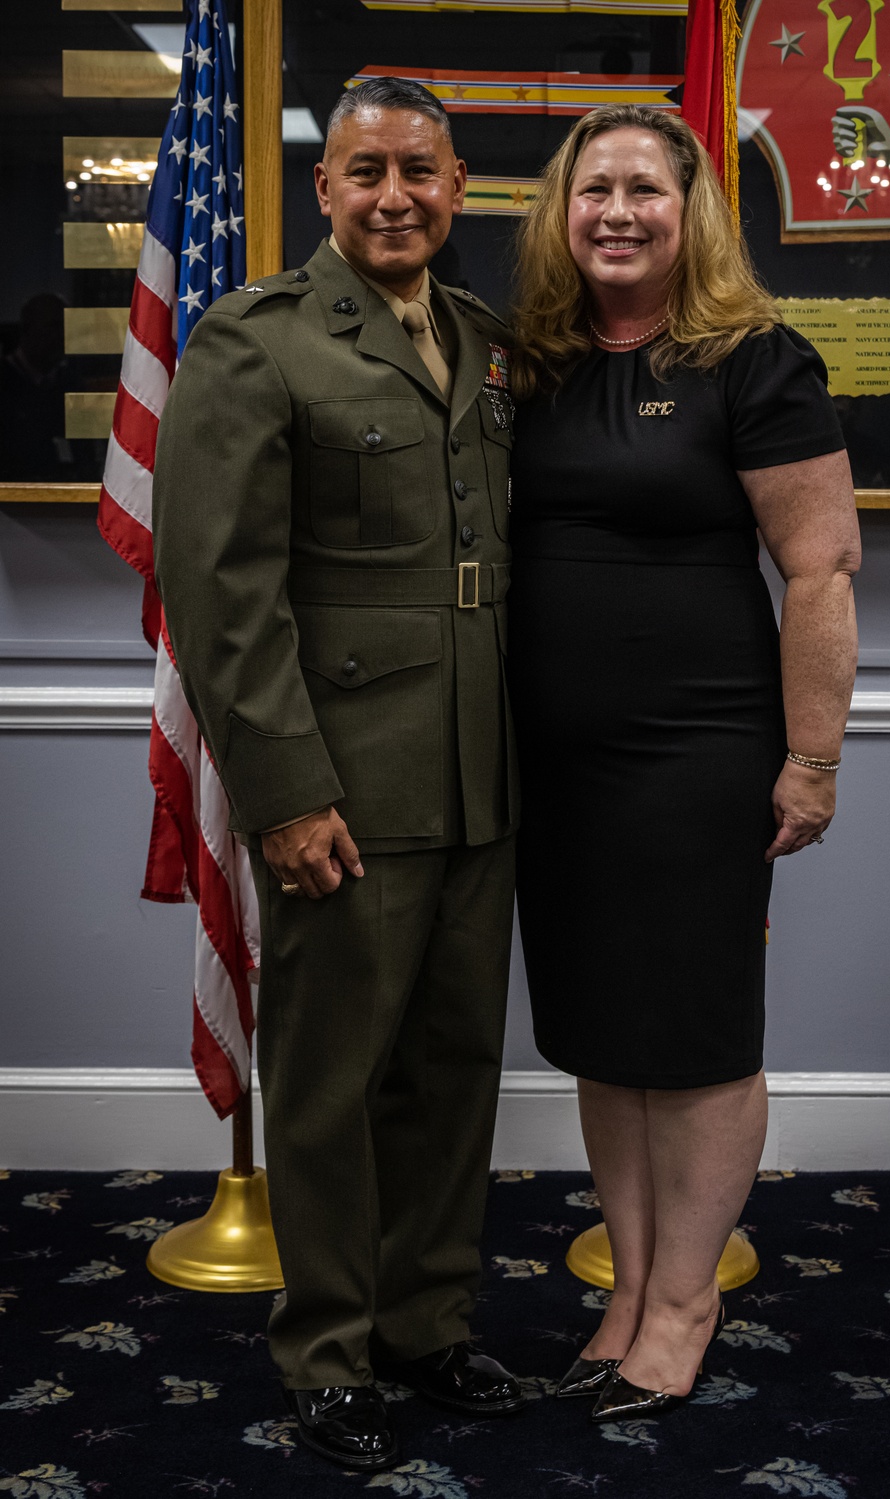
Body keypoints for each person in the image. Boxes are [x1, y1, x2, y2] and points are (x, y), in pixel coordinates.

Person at [152, 76, 523, 1474]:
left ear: (458, 183)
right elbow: (223, 591)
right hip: (344, 792)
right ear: (325, 189)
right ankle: (329, 1352)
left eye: (419, 172)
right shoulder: (259, 343)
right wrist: (286, 791)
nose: (393, 197)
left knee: (449, 1073)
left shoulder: (482, 342)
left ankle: (429, 1325)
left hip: (479, 782)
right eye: (365, 171)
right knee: (329, 1085)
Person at [507, 105, 861, 1421]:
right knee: (606, 1029)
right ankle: (633, 1281)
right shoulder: (531, 363)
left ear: (689, 211)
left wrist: (811, 762)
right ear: (561, 211)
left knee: (697, 1033)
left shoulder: (753, 359)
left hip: (698, 757)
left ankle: (686, 1301)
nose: (616, 211)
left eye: (645, 190)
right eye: (593, 188)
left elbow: (821, 572)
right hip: (555, 767)